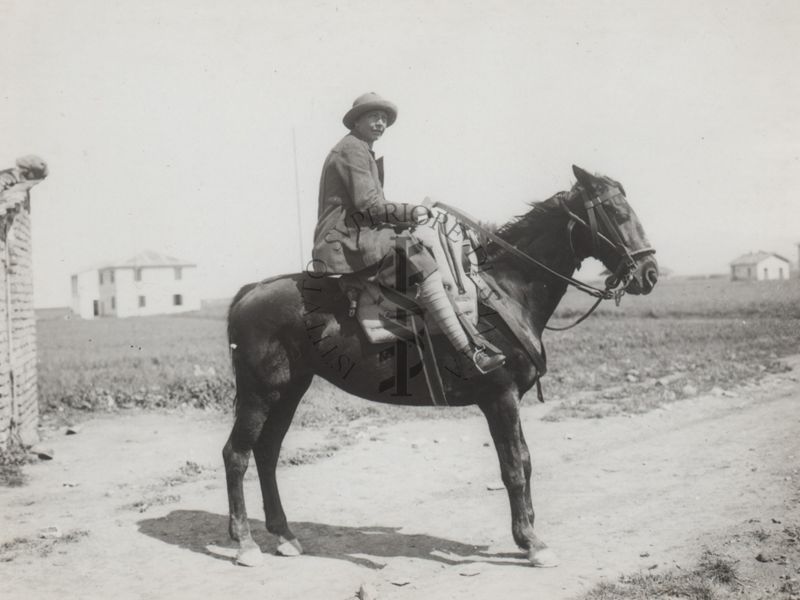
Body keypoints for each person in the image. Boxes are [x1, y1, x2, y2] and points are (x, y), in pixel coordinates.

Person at [312, 92, 505, 374]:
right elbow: (369, 205)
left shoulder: (360, 148)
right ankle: (469, 352)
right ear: (357, 121)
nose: (380, 123)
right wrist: (412, 213)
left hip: (358, 231)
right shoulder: (352, 149)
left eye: (384, 119)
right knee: (422, 262)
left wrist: (407, 217)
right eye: (373, 117)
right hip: (347, 239)